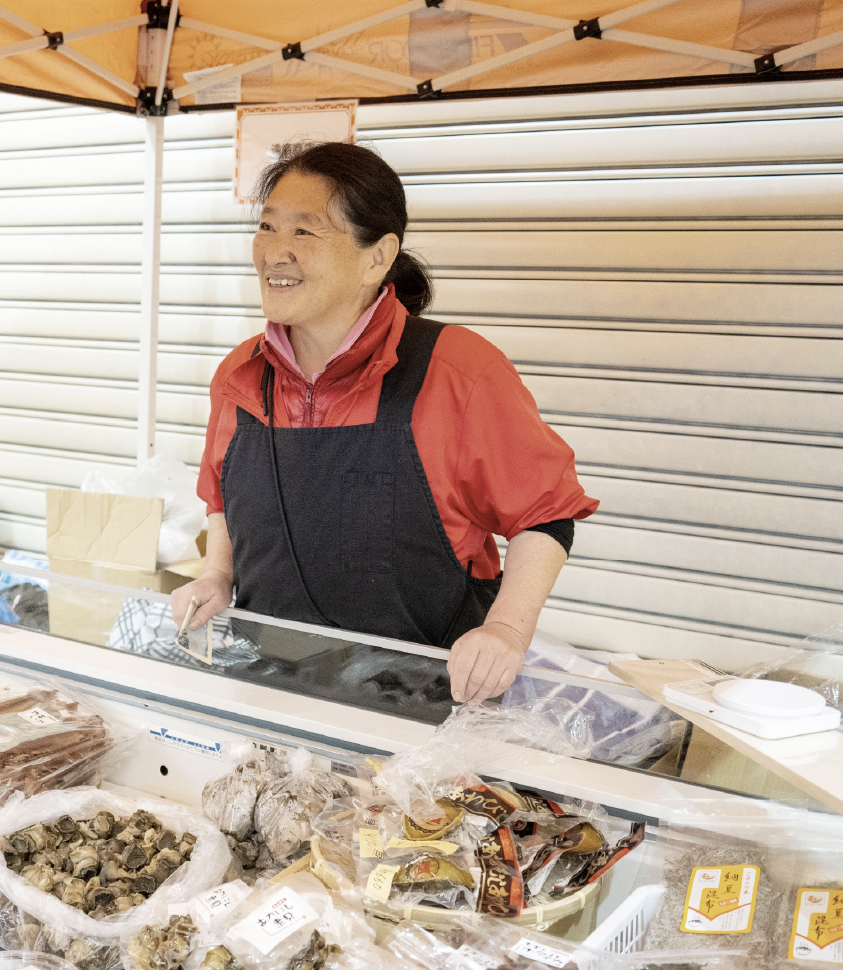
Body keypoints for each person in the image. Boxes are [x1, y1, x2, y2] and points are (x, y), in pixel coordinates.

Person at [170, 142, 597, 704]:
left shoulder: (458, 370)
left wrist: (506, 630)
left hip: (425, 704)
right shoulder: (240, 374)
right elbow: (223, 497)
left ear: (378, 256)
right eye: (268, 227)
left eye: (304, 231)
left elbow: (545, 514)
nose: (276, 251)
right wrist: (216, 574)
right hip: (269, 692)